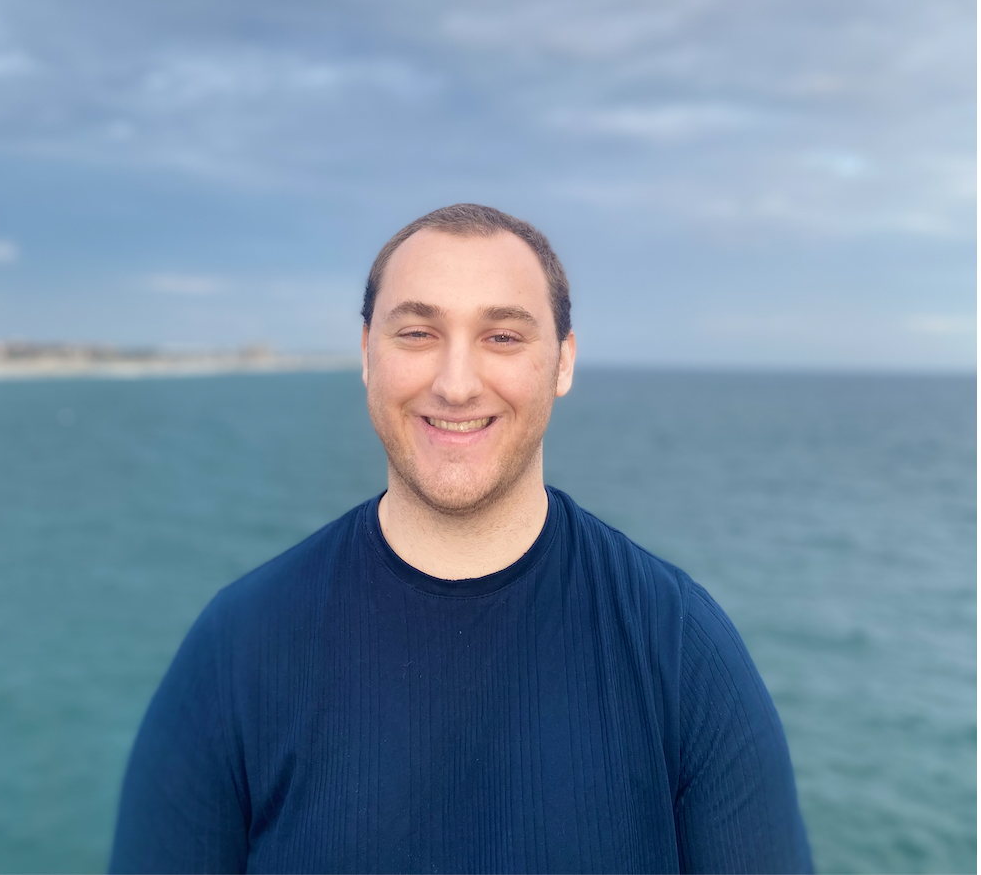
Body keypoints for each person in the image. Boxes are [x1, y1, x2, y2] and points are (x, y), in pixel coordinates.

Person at [110, 203, 813, 874]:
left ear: (563, 362)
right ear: (367, 354)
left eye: (502, 336)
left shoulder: (681, 648)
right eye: (418, 333)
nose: (455, 384)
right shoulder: (237, 649)